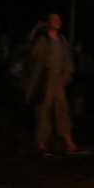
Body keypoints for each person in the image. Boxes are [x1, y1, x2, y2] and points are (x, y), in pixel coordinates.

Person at [26, 14, 80, 154]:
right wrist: (37, 28)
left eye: (59, 19)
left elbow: (67, 57)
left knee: (62, 110)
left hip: (58, 81)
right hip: (45, 81)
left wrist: (68, 73)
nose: (57, 22)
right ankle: (41, 143)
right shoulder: (43, 40)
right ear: (48, 23)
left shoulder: (62, 40)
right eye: (54, 20)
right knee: (43, 111)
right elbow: (30, 49)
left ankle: (69, 142)